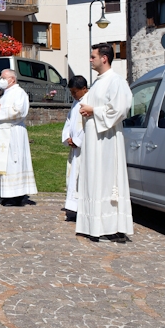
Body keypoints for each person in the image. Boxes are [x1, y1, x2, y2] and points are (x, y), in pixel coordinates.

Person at [77, 44, 133, 243]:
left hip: (107, 139)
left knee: (107, 179)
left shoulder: (116, 81)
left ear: (104, 59)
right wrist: (86, 110)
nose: (90, 60)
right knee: (93, 177)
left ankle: (110, 227)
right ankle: (93, 224)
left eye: (93, 57)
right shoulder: (98, 82)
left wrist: (94, 111)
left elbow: (121, 108)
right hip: (93, 139)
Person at [0, 69, 37, 206]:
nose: (1, 80)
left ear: (12, 79)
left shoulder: (19, 93)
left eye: (3, 77)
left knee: (14, 162)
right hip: (4, 132)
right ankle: (6, 193)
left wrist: (1, 109)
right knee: (5, 164)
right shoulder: (6, 94)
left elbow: (20, 111)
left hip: (14, 133)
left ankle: (15, 195)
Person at [62, 76, 88, 222]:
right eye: (71, 91)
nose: (73, 94)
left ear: (84, 89)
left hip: (84, 148)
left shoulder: (88, 101)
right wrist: (68, 137)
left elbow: (88, 126)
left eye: (75, 91)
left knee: (80, 177)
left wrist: (77, 140)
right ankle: (74, 207)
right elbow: (69, 121)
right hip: (74, 148)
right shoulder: (75, 102)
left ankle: (81, 207)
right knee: (73, 177)